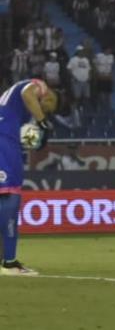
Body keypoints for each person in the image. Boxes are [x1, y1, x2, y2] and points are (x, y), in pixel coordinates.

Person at [0, 79, 58, 277]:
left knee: (5, 199)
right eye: (47, 107)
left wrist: (38, 135)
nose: (45, 110)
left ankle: (6, 259)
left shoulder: (14, 108)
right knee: (10, 198)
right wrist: (42, 120)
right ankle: (9, 263)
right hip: (4, 142)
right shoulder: (37, 86)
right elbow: (28, 94)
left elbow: (28, 135)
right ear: (47, 97)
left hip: (7, 141)